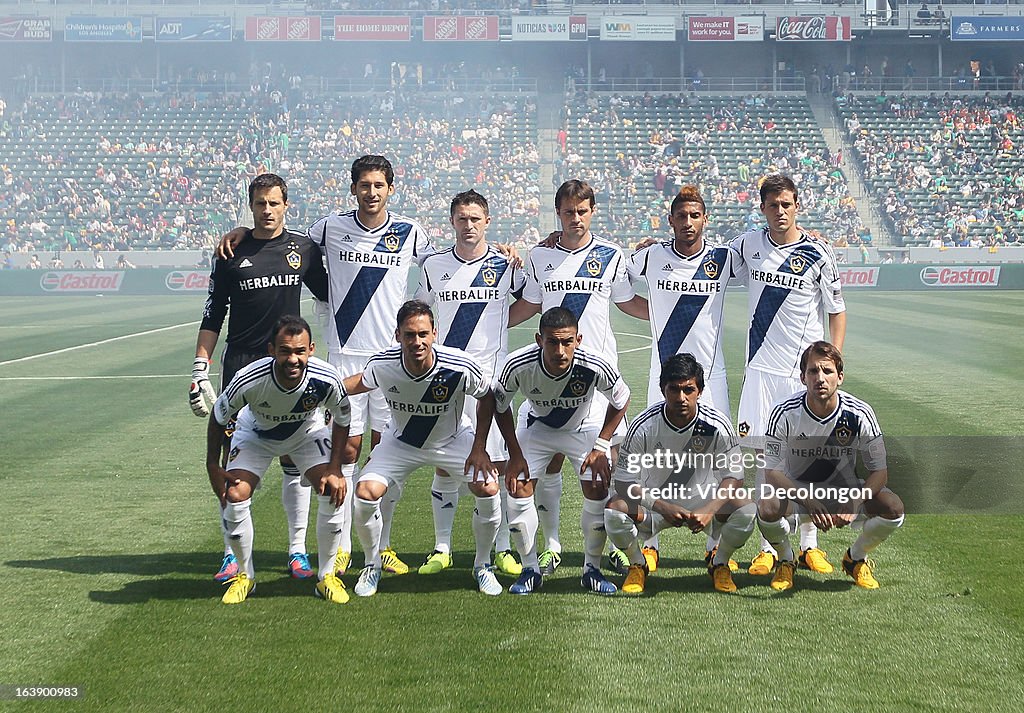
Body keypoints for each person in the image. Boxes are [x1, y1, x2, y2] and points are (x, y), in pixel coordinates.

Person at [219, 156, 438, 579]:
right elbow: (282, 239)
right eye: (363, 185)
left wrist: (504, 250)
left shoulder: (410, 231)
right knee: (348, 450)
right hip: (344, 357)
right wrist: (245, 233)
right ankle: (338, 550)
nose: (371, 192)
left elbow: (449, 258)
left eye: (378, 185)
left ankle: (383, 545)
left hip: (392, 361)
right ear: (353, 188)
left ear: (390, 189)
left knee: (389, 448)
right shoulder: (328, 227)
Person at [191, 173, 329, 583]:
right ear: (250, 207)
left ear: (286, 205)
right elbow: (213, 313)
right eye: (259, 204)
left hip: (289, 364)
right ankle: (228, 555)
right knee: (233, 460)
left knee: (293, 458)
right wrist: (200, 367)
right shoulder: (231, 251)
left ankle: (297, 551)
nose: (266, 210)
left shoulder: (303, 248)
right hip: (241, 364)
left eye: (273, 203)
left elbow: (330, 293)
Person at [508, 179, 646, 578]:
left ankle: (615, 544)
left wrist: (681, 308)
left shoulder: (610, 255)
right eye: (568, 212)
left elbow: (627, 302)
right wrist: (487, 321)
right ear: (558, 214)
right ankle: (551, 544)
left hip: (597, 376)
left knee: (608, 464)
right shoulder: (540, 256)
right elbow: (528, 306)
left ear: (593, 212)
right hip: (550, 372)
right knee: (548, 461)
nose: (575, 219)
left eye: (582, 211)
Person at [728, 174, 847, 578]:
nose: (780, 212)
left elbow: (836, 310)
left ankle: (810, 546)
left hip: (803, 376)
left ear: (797, 206)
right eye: (772, 205)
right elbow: (700, 258)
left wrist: (832, 362)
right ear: (761, 208)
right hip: (761, 371)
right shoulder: (746, 246)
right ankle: (769, 547)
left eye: (786, 204)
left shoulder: (819, 252)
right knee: (766, 459)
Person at [345, 300, 502, 597]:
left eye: (422, 334)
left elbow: (488, 396)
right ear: (397, 336)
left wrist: (479, 447)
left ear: (434, 334)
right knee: (365, 494)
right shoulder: (382, 364)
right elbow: (356, 384)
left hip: (453, 440)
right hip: (401, 442)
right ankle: (372, 564)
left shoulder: (458, 365)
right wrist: (319, 393)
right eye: (409, 335)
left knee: (489, 488)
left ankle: (483, 565)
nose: (416, 341)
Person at [470, 307, 631, 595]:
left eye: (567, 342)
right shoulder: (517, 364)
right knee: (518, 486)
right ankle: (530, 569)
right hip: (538, 427)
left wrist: (602, 444)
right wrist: (516, 455)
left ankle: (590, 569)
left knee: (597, 486)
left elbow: (621, 398)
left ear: (578, 339)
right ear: (538, 339)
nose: (560, 350)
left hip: (584, 427)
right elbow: (500, 405)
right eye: (552, 342)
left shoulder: (595, 363)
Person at [625, 185, 741, 573]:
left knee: (715, 460)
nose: (688, 223)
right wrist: (657, 311)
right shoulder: (650, 256)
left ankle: (714, 544)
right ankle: (650, 542)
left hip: (711, 379)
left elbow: (771, 252)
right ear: (669, 220)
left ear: (705, 219)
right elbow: (617, 285)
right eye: (681, 216)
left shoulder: (725, 257)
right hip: (664, 377)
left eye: (695, 216)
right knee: (652, 458)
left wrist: (811, 237)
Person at [413, 190, 528, 578]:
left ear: (488, 222)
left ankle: (502, 548)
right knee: (446, 467)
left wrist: (499, 326)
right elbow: (421, 313)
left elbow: (532, 298)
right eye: (462, 219)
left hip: (491, 383)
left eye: (475, 219)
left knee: (495, 465)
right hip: (446, 381)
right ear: (452, 222)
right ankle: (441, 547)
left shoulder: (505, 265)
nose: (468, 226)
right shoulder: (434, 266)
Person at [206, 316, 352, 605]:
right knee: (235, 495)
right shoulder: (250, 378)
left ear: (311, 349)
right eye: (285, 351)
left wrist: (335, 468)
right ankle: (245, 577)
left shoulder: (327, 378)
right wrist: (213, 464)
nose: (293, 359)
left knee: (331, 489)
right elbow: (219, 416)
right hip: (255, 434)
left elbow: (343, 418)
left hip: (306, 434)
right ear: (271, 349)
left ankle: (326, 577)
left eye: (299, 351)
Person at [757, 341, 904, 591]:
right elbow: (772, 472)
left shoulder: (860, 413)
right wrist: (809, 500)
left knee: (894, 508)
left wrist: (856, 500)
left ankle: (855, 558)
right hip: (800, 495)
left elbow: (880, 472)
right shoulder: (783, 412)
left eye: (827, 371)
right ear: (803, 378)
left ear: (840, 377)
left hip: (843, 492)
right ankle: (786, 559)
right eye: (813, 371)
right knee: (767, 507)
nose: (820, 378)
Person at [604, 354, 756, 595]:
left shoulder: (717, 424)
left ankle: (720, 564)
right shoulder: (644, 425)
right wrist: (661, 506)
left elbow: (735, 476)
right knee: (615, 509)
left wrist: (711, 508)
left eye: (689, 389)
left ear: (700, 390)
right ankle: (637, 564)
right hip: (655, 506)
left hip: (702, 503)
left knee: (746, 508)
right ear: (663, 390)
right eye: (674, 390)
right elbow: (624, 482)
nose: (681, 398)